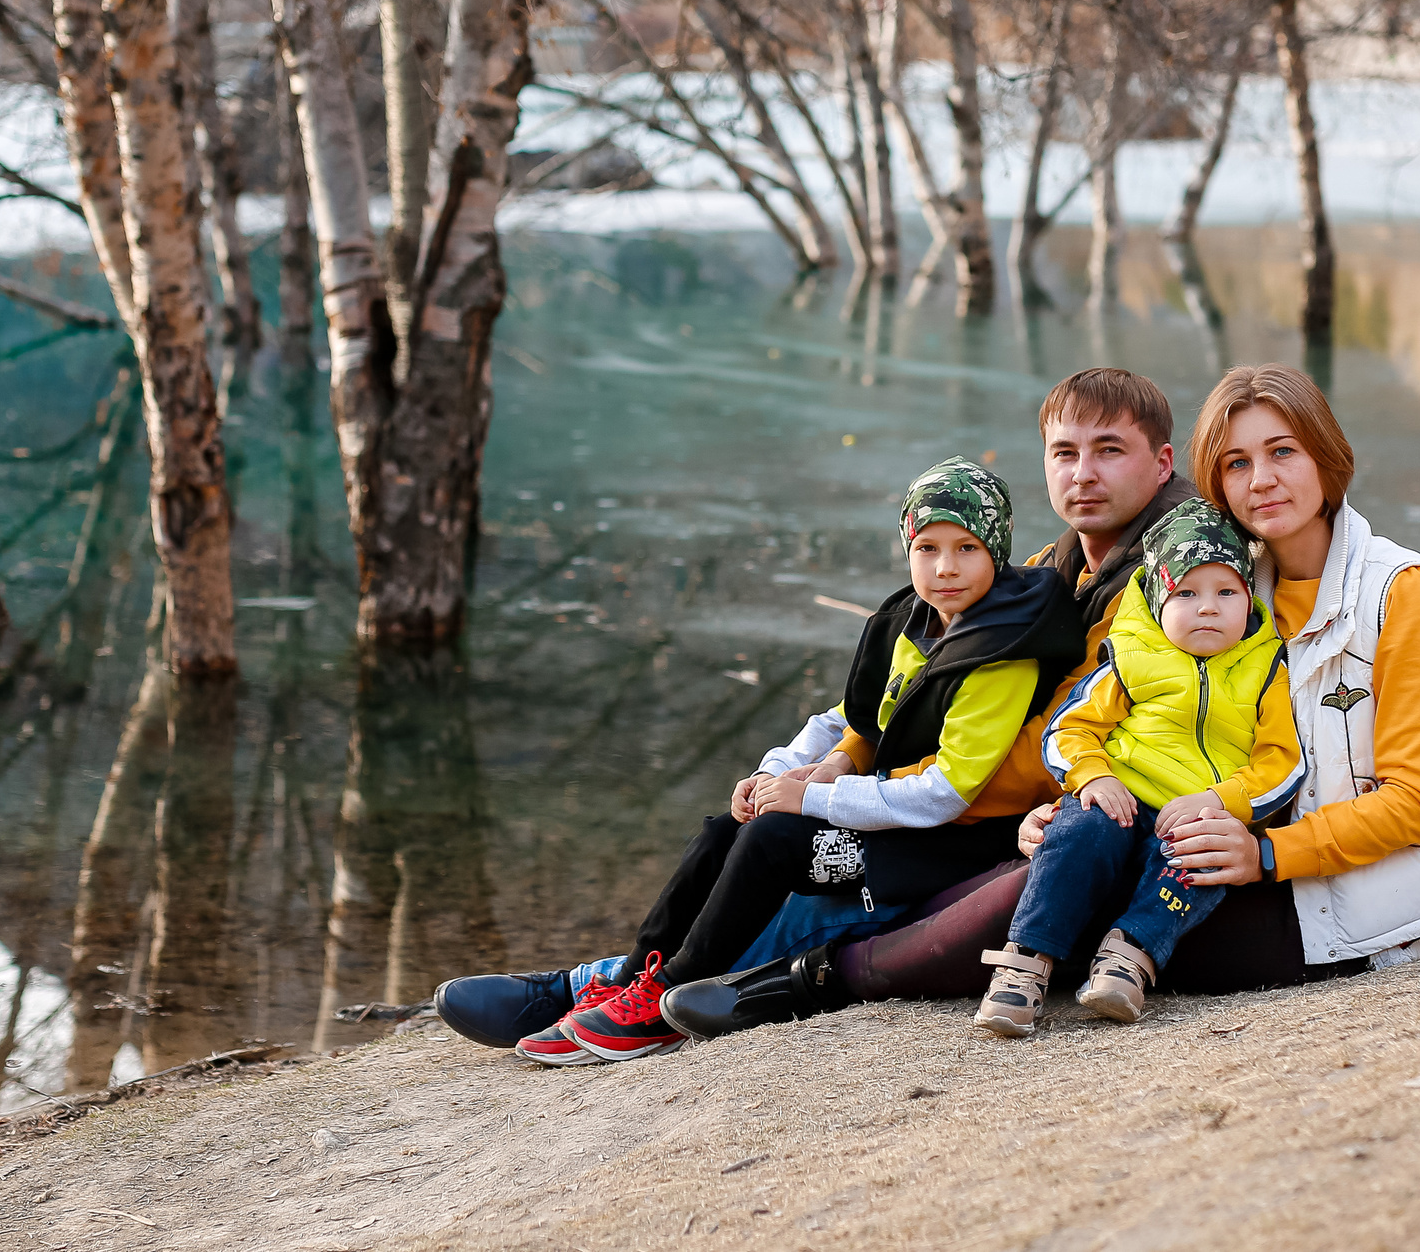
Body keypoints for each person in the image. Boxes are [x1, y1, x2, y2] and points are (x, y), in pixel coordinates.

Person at [671, 361, 1420, 1031]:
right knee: (1052, 858)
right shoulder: (1220, 593)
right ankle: (738, 972)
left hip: (1349, 887)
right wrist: (1073, 790)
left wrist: (1267, 851)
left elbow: (1418, 802)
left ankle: (813, 982)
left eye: (1283, 452)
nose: (1261, 480)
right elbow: (1136, 715)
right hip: (1210, 843)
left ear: (1326, 455)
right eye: (1238, 462)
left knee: (1046, 898)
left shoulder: (1401, 593)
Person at [433, 368, 1197, 1052]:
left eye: (1108, 451)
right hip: (931, 799)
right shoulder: (1037, 570)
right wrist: (817, 763)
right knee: (743, 831)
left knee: (796, 864)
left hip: (990, 824)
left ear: (1161, 463)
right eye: (1065, 453)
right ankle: (608, 981)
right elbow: (896, 701)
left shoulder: (1168, 589)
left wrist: (842, 792)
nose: (1083, 473)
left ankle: (619, 994)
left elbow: (1036, 744)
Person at [505, 455, 1087, 1065]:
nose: (945, 568)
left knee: (777, 840)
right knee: (725, 829)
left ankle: (668, 997)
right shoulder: (921, 624)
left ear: (997, 551)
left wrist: (807, 798)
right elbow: (848, 718)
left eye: (967, 548)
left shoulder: (1002, 655)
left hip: (954, 841)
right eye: (928, 548)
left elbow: (947, 792)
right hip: (906, 812)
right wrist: (775, 772)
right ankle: (632, 976)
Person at [970, 497, 1299, 1037]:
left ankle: (1129, 957)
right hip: (1120, 795)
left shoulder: (1266, 670)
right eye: (1186, 593)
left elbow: (1282, 763)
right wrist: (1093, 777)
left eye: (1225, 592)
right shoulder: (1128, 659)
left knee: (1202, 859)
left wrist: (1222, 803)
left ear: (1248, 598)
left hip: (1195, 811)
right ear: (1155, 597)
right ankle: (1025, 961)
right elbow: (1068, 731)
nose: (1208, 608)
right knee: (1080, 829)